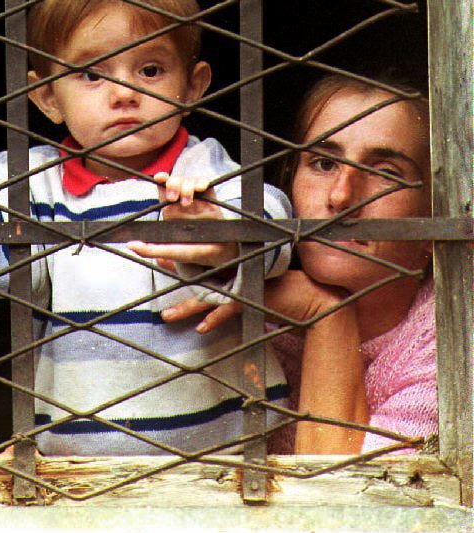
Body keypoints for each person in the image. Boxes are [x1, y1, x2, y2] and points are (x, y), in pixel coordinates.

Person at [0, 0, 293, 456]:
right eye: (92, 74)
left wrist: (225, 236)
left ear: (193, 86)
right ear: (47, 98)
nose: (124, 93)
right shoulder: (34, 183)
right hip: (78, 469)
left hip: (223, 459)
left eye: (150, 69)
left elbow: (277, 220)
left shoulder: (202, 171)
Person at [163, 74, 437, 454]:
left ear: (435, 215)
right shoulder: (242, 313)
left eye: (385, 173)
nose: (342, 196)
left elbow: (344, 501)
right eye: (324, 164)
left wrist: (325, 313)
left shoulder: (449, 347)